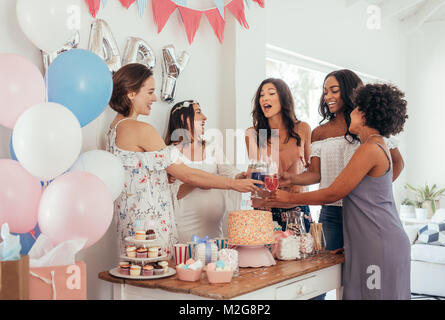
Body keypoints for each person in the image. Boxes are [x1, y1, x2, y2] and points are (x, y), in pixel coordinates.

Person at [266, 83, 411, 300]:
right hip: (373, 243)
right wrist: (355, 244)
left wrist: (289, 197)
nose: (350, 114)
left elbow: (333, 193)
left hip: (378, 245)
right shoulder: (375, 145)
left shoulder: (370, 148)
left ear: (363, 114)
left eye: (355, 109)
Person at [105, 63, 261, 257]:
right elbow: (186, 174)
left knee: (135, 279)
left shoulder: (113, 130)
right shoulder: (141, 129)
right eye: (150, 92)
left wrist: (164, 177)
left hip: (130, 224)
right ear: (130, 93)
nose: (154, 98)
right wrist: (232, 184)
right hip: (151, 226)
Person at [278, 70, 404, 252]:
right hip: (331, 212)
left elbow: (397, 163)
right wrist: (291, 179)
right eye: (325, 91)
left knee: (361, 267)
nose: (327, 96)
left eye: (334, 90)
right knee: (329, 269)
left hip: (362, 211)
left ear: (349, 91)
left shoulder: (370, 130)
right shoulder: (320, 132)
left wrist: (366, 195)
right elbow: (315, 174)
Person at [164, 100, 244, 243]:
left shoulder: (212, 148)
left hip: (214, 227)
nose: (205, 117)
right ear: (184, 118)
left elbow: (229, 171)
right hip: (186, 226)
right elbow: (170, 194)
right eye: (199, 112)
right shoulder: (171, 153)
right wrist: (197, 182)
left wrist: (241, 176)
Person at [246, 78, 312, 232]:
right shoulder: (254, 133)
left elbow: (311, 170)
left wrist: (297, 182)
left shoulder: (302, 129)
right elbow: (258, 172)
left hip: (296, 207)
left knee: (302, 254)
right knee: (266, 255)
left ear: (283, 98)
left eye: (271, 93)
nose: (265, 98)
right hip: (265, 210)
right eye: (262, 95)